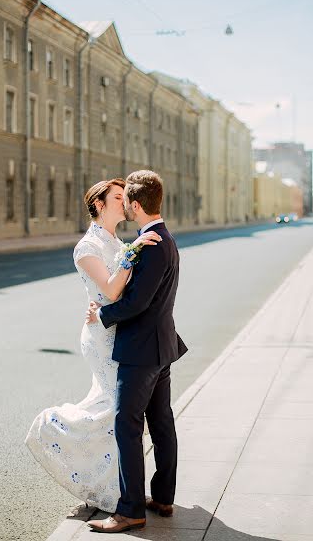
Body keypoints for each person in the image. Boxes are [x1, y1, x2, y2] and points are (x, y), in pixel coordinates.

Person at [25, 177, 162, 514]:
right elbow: (112, 292)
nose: (125, 201)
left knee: (119, 413)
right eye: (118, 197)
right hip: (102, 336)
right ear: (99, 204)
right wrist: (133, 254)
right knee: (119, 411)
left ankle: (119, 488)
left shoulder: (115, 241)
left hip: (118, 329)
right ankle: (52, 427)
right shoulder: (88, 247)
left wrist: (131, 252)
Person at [85, 170, 187, 533]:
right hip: (160, 347)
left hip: (141, 351)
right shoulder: (163, 238)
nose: (124, 205)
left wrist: (102, 315)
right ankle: (162, 496)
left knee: (127, 426)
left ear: (136, 204)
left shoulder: (152, 242)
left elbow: (138, 302)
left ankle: (130, 510)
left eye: (126, 199)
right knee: (161, 423)